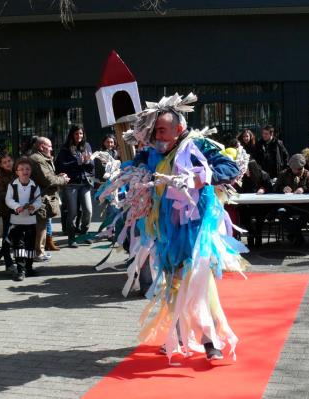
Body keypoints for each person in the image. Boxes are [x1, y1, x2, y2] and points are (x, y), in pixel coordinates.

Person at [97, 93, 243, 362]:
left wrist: (200, 177)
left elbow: (229, 167)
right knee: (172, 284)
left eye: (162, 130)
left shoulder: (198, 146)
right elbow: (134, 168)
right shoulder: (151, 153)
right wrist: (123, 175)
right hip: (165, 232)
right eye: (154, 131)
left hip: (196, 230)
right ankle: (176, 337)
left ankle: (211, 340)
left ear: (179, 129)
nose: (157, 135)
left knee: (200, 281)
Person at [30, 136, 70, 260]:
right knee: (40, 226)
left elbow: (49, 176)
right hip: (40, 199)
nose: (52, 149)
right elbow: (48, 180)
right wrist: (62, 179)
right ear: (42, 147)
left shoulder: (41, 158)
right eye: (50, 146)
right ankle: (38, 253)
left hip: (42, 198)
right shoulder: (37, 159)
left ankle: (39, 251)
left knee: (42, 225)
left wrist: (58, 176)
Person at [55, 125, 94, 247]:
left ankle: (84, 233)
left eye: (81, 134)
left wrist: (87, 162)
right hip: (71, 184)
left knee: (88, 210)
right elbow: (60, 166)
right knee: (72, 212)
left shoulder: (86, 146)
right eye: (76, 134)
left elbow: (91, 166)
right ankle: (71, 238)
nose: (79, 136)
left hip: (84, 183)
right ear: (72, 134)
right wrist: (77, 163)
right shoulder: (65, 149)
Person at [5, 158, 42, 281]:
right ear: (17, 172)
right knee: (19, 246)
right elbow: (8, 200)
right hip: (16, 220)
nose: (25, 171)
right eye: (22, 169)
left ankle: (29, 267)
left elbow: (38, 201)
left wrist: (33, 207)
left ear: (30, 171)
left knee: (30, 245)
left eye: (27, 169)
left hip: (30, 221)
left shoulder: (35, 185)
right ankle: (20, 269)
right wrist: (17, 207)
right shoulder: (12, 185)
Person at [274, 153, 309, 246]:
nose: (293, 170)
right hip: (287, 205)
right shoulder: (283, 173)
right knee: (280, 213)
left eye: (295, 169)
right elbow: (275, 186)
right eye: (292, 168)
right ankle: (298, 236)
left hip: (303, 206)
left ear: (301, 168)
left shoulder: (308, 174)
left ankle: (293, 234)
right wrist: (283, 188)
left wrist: (303, 189)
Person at [237, 159, 273, 247]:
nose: (246, 172)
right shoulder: (244, 177)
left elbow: (271, 188)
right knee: (242, 213)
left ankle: (258, 234)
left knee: (260, 215)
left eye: (247, 170)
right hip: (248, 204)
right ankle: (251, 232)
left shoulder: (264, 175)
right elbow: (242, 191)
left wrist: (263, 189)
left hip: (261, 204)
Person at [0, 152, 16, 273]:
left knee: (18, 236)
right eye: (5, 162)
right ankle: (8, 263)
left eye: (9, 161)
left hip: (19, 210)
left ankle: (19, 260)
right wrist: (13, 197)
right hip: (7, 210)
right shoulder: (0, 176)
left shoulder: (17, 172)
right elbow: (1, 193)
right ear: (1, 165)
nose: (8, 164)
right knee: (7, 236)